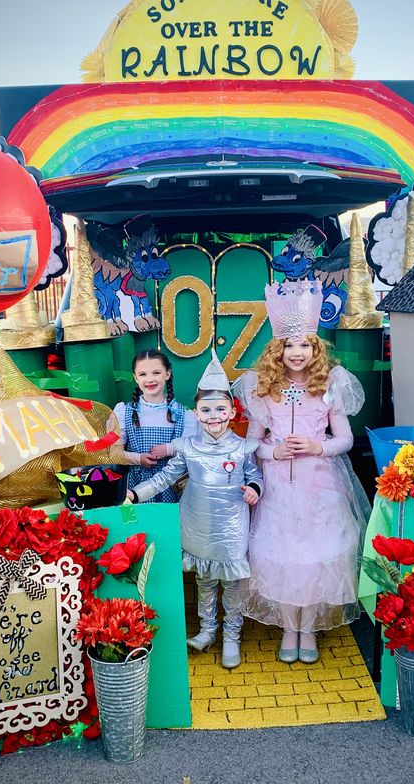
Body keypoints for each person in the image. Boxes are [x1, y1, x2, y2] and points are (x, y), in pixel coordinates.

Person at [236, 279, 370, 664]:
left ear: (316, 348)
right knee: (283, 556)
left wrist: (318, 445)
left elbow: (345, 439)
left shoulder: (330, 384)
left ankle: (307, 628)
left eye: (305, 344)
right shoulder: (262, 389)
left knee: (316, 556)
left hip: (320, 487)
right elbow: (253, 444)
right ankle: (288, 628)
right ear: (278, 350)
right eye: (289, 345)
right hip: (277, 490)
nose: (297, 352)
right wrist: (274, 451)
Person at [127, 351, 263, 670]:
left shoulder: (243, 448)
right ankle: (207, 630)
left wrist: (254, 489)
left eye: (220, 409)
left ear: (231, 411)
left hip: (231, 527)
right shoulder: (187, 446)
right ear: (197, 413)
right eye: (206, 410)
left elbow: (255, 475)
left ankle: (232, 636)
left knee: (231, 584)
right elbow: (164, 477)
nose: (213, 416)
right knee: (203, 580)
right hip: (197, 523)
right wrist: (136, 492)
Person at [112, 350, 197, 503]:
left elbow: (190, 449)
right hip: (134, 488)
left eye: (156, 372)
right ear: (135, 377)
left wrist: (168, 449)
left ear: (167, 374)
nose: (150, 379)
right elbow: (113, 453)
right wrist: (138, 459)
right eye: (143, 374)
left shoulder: (184, 414)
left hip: (171, 486)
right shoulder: (124, 411)